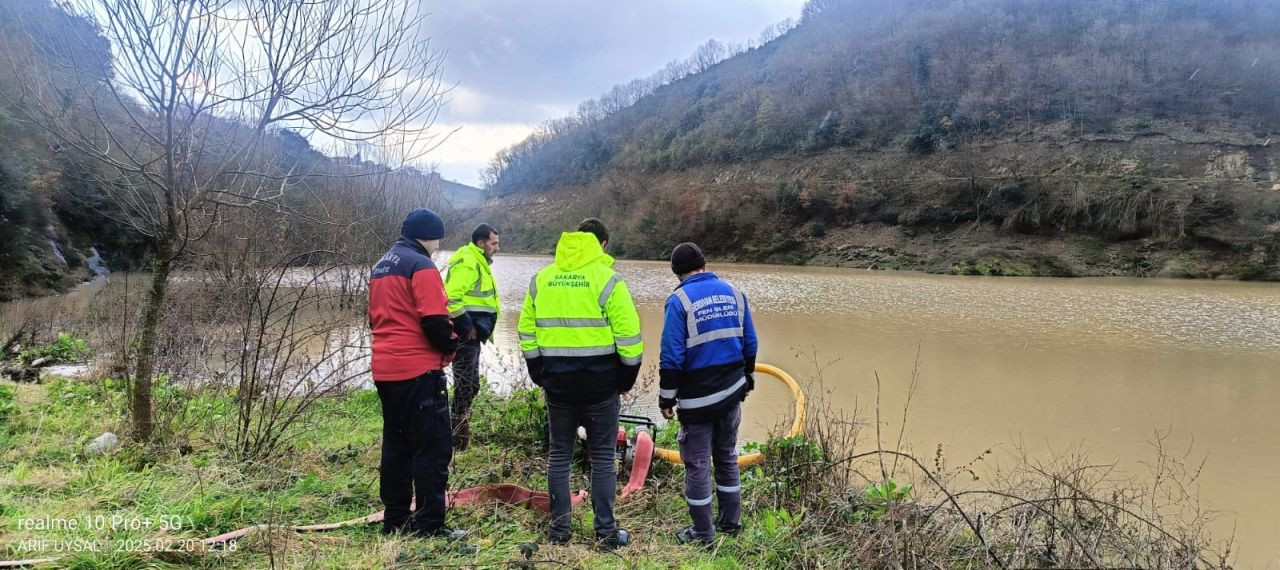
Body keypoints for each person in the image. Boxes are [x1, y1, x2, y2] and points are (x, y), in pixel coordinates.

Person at [517, 218, 643, 549]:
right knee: (602, 457)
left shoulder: (542, 279)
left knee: (559, 454)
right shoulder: (608, 280)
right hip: (601, 386)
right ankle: (606, 534)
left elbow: (526, 330)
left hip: (557, 384)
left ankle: (559, 531)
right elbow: (630, 338)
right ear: (601, 245)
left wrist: (537, 371)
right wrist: (626, 379)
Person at [367, 208, 467, 540]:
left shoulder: (381, 265)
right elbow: (435, 321)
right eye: (438, 238)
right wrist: (452, 344)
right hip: (418, 371)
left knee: (396, 445)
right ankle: (430, 526)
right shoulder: (421, 265)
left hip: (385, 369)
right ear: (430, 235)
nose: (438, 245)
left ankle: (395, 519)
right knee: (432, 449)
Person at [658, 242, 758, 545]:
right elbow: (750, 342)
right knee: (727, 457)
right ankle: (731, 523)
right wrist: (747, 377)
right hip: (731, 394)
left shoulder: (679, 301)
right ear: (704, 264)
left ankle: (702, 533)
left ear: (678, 274)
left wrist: (666, 398)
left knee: (698, 464)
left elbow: (672, 356)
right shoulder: (735, 293)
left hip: (698, 400)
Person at [444, 223, 501, 451]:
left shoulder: (477, 260)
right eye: (493, 243)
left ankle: (457, 435)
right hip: (466, 334)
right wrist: (467, 327)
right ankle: (457, 441)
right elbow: (451, 297)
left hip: (473, 333)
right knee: (466, 385)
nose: (497, 247)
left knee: (471, 385)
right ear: (481, 243)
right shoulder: (469, 261)